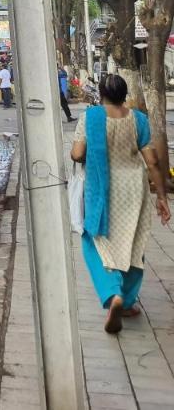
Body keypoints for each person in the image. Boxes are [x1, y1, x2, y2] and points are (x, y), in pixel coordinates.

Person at [71, 74, 170, 333]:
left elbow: (78, 153)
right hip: (133, 190)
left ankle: (112, 293)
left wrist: (79, 152)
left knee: (94, 242)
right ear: (124, 94)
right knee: (133, 242)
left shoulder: (90, 118)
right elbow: (153, 163)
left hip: (103, 191)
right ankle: (126, 302)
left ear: (101, 94)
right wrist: (161, 197)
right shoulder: (138, 119)